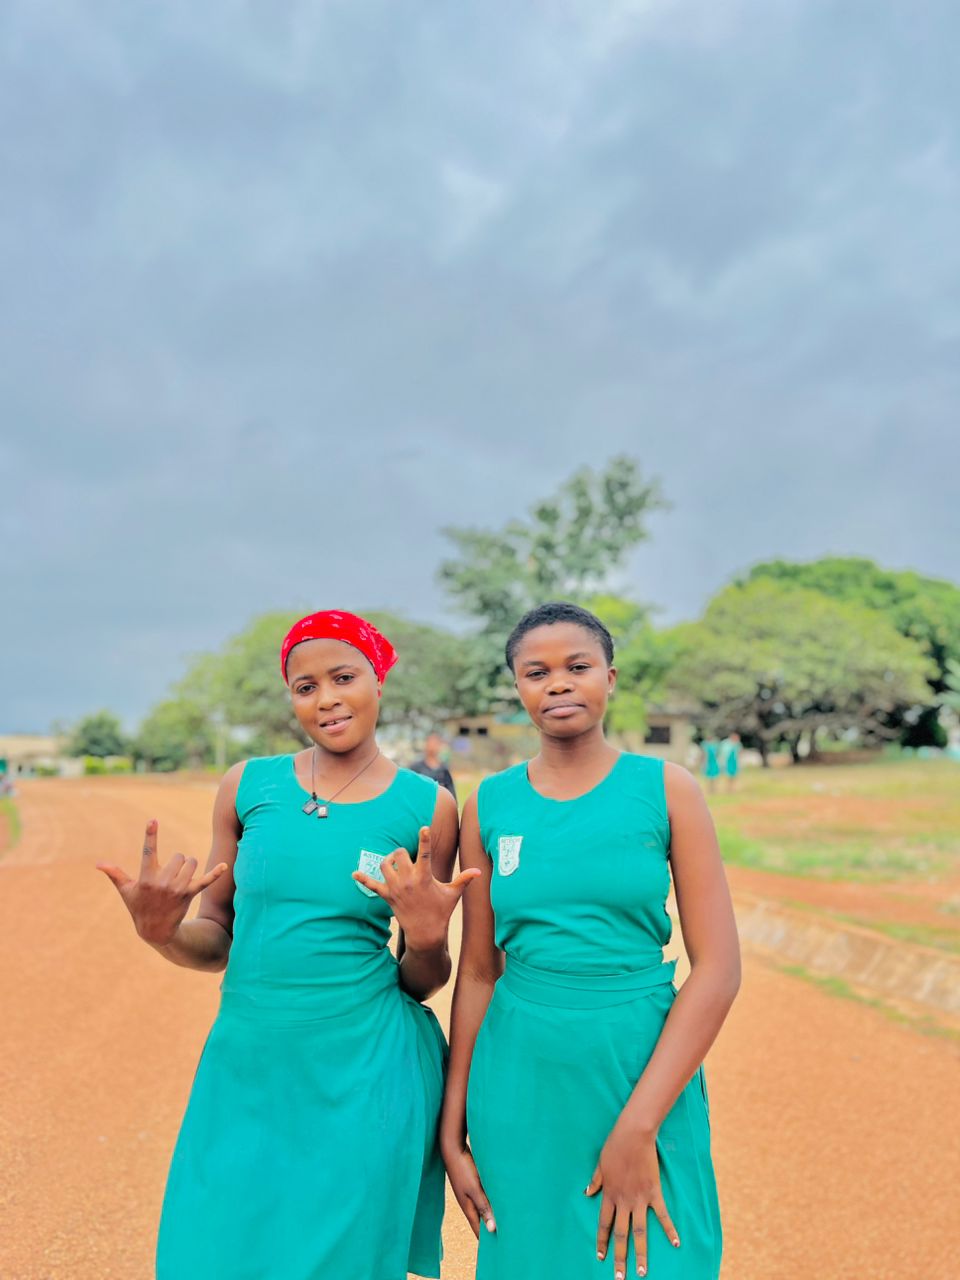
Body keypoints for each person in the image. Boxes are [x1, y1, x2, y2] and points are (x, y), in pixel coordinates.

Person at [98, 610, 477, 1280]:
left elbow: (423, 977)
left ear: (379, 681)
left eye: (343, 677)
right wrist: (161, 934)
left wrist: (424, 939)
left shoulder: (428, 807)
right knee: (214, 1247)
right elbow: (216, 936)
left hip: (362, 1070)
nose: (326, 698)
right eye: (306, 687)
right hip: (248, 1061)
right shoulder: (248, 786)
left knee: (338, 1260)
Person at [441, 601, 740, 1280]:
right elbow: (480, 972)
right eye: (536, 672)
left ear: (610, 676)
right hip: (520, 1078)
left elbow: (718, 969)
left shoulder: (667, 789)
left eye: (577, 666)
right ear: (517, 688)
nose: (558, 683)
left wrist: (639, 1127)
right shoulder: (489, 804)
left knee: (664, 1258)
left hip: (638, 1065)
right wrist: (453, 1127)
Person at [410, 732, 458, 802]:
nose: (432, 747)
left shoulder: (444, 769)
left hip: (440, 805)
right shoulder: (416, 767)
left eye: (435, 744)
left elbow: (451, 794)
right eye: (430, 743)